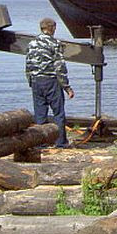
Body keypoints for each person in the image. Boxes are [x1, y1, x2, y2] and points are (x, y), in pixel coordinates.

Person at [25, 17, 74, 148]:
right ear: (52, 28)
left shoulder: (32, 44)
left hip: (36, 81)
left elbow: (28, 65)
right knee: (58, 113)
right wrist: (67, 87)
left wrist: (31, 81)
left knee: (40, 114)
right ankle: (61, 142)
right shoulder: (55, 44)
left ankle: (40, 142)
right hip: (51, 80)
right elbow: (60, 67)